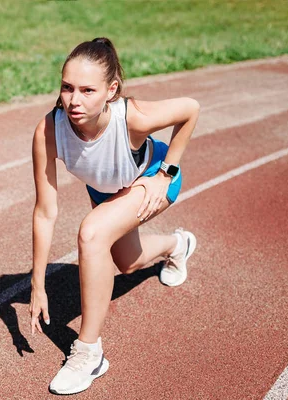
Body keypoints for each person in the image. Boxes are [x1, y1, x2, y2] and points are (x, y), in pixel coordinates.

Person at [30, 37, 200, 395]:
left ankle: (89, 353)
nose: (75, 100)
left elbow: (190, 108)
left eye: (88, 90)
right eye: (67, 88)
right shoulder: (49, 130)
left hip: (150, 178)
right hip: (108, 189)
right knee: (127, 262)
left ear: (111, 90)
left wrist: (166, 173)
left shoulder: (131, 116)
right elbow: (45, 212)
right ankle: (178, 244)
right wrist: (37, 284)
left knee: (92, 234)